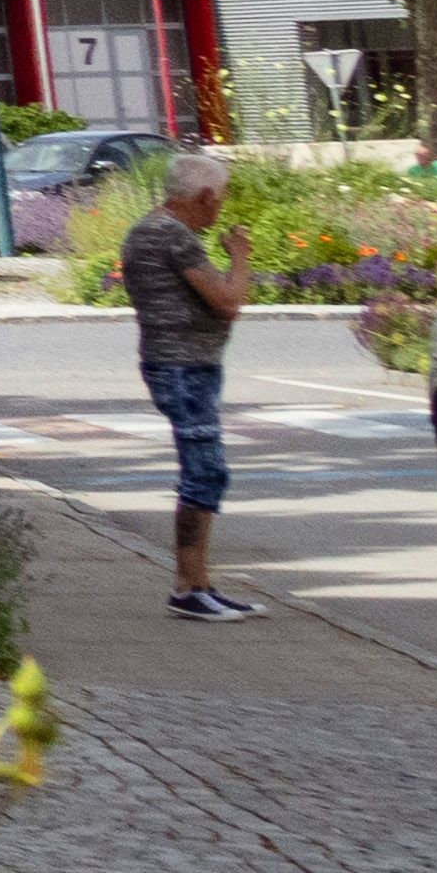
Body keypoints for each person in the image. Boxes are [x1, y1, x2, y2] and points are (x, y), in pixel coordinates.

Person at [127, 143, 254, 616]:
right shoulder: (173, 236)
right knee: (204, 471)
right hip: (183, 368)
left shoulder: (148, 230)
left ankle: (198, 583)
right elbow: (228, 301)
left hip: (179, 363)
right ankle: (188, 586)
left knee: (204, 469)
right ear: (203, 195)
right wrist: (240, 256)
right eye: (218, 198)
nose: (219, 209)